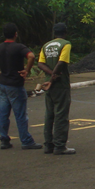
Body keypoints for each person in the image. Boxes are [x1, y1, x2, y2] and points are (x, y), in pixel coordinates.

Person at [0, 23, 43, 150]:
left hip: (3, 83)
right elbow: (31, 56)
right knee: (20, 114)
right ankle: (26, 140)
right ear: (16, 34)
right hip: (15, 85)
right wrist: (27, 69)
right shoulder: (19, 47)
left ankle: (4, 139)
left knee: (4, 113)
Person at [36, 23, 76, 155]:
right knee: (61, 114)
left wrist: (50, 76)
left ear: (54, 33)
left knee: (49, 114)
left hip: (48, 83)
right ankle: (60, 145)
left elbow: (40, 63)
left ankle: (48, 145)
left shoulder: (46, 45)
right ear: (65, 32)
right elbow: (62, 62)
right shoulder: (66, 44)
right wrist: (54, 77)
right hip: (60, 83)